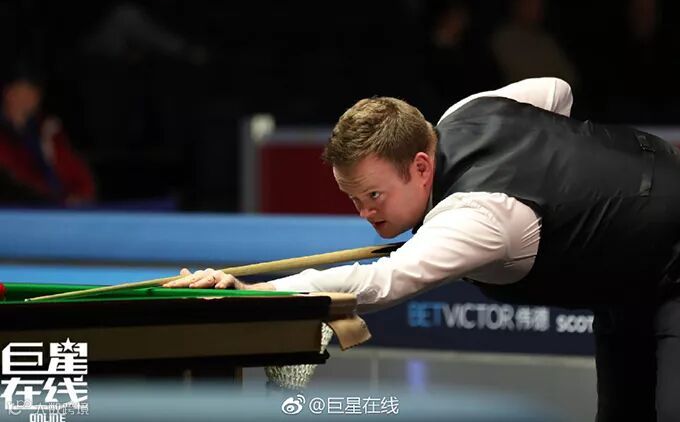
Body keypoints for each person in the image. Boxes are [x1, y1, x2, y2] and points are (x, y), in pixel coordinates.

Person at [166, 77, 680, 421]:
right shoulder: (466, 112)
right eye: (353, 199)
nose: (364, 213)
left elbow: (380, 281)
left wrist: (255, 292)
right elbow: (555, 91)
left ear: (419, 166)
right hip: (623, 272)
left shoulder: (477, 216)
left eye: (374, 196)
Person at [0, 70, 96, 205]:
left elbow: (80, 178)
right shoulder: (4, 138)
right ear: (7, 93)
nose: (27, 100)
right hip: (19, 208)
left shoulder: (49, 131)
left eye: (33, 93)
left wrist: (79, 195)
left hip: (57, 210)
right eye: (21, 92)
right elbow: (16, 182)